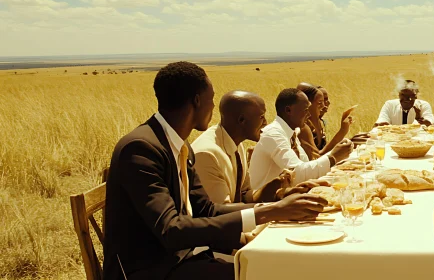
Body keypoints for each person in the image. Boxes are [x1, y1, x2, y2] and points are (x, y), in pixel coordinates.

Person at [103, 62, 327, 280]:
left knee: (275, 266)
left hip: (183, 260)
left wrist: (273, 207)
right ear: (197, 101)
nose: (213, 108)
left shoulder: (179, 146)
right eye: (211, 99)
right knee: (269, 273)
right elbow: (171, 230)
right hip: (151, 270)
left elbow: (205, 209)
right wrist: (267, 213)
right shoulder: (141, 148)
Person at [192, 91, 325, 204]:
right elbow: (220, 212)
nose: (266, 122)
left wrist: (281, 192)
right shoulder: (207, 153)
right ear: (242, 120)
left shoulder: (235, 143)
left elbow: (245, 195)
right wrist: (277, 208)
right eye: (261, 117)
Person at [249, 88, 354, 191]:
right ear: (288, 110)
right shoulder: (273, 135)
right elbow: (296, 173)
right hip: (266, 202)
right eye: (305, 110)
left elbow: (304, 166)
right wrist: (333, 157)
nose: (309, 115)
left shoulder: (291, 133)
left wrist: (336, 154)